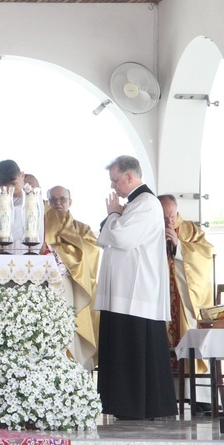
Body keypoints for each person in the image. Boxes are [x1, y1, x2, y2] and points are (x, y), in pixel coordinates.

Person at [94, 155, 177, 420]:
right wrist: (115, 216)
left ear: (130, 177)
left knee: (133, 350)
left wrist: (112, 215)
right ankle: (124, 405)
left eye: (116, 180)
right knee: (124, 349)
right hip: (123, 293)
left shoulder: (147, 203)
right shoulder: (135, 204)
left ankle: (136, 406)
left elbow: (120, 236)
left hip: (135, 294)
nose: (114, 187)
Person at [43, 185, 100, 371]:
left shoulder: (81, 229)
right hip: (46, 289)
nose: (57, 203)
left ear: (70, 202)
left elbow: (92, 252)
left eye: (62, 199)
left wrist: (60, 251)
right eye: (53, 199)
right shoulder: (39, 225)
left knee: (72, 330)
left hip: (74, 287)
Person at [158, 194, 214, 374]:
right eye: (164, 216)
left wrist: (179, 246)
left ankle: (195, 391)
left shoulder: (190, 229)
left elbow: (205, 254)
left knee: (188, 333)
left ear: (177, 210)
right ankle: (169, 393)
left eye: (172, 216)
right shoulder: (150, 230)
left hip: (184, 300)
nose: (169, 220)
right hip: (160, 298)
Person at [0, 160, 44, 252]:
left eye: (14, 184)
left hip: (23, 259)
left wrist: (0, 194)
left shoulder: (32, 197)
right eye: (5, 187)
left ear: (22, 175)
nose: (11, 190)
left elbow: (6, 229)